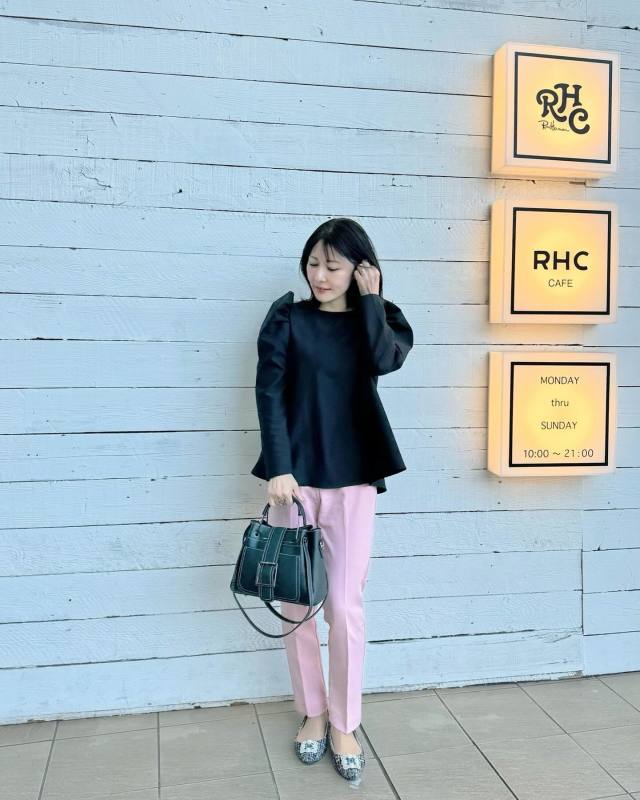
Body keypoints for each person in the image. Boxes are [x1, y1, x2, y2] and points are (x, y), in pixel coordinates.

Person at [250, 217, 413, 781]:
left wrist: (371, 300)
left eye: (333, 265)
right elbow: (269, 392)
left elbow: (383, 361)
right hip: (293, 483)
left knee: (344, 607)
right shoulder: (288, 319)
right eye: (314, 263)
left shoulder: (381, 321)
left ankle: (345, 722)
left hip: (354, 480)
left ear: (360, 269)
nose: (319, 275)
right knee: (297, 605)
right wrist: (278, 466)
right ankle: (313, 713)